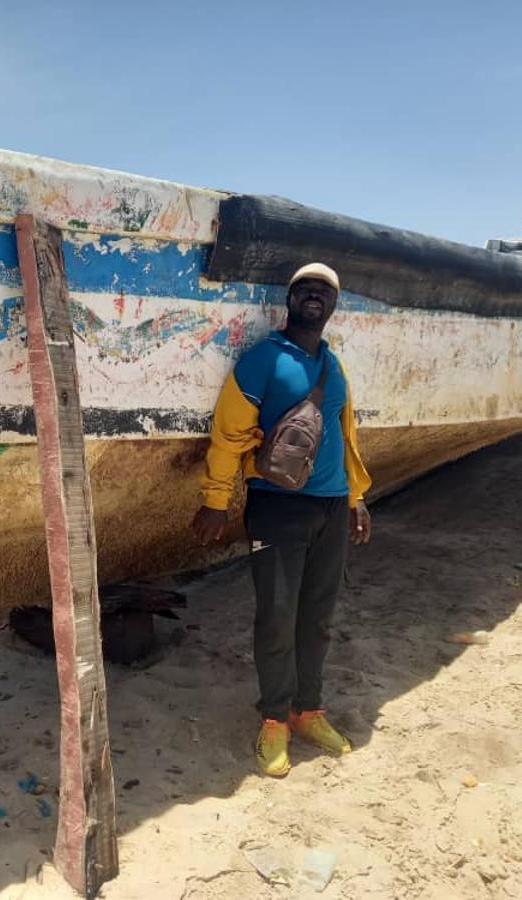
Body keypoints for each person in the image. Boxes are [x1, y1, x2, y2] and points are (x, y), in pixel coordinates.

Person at [191, 262, 372, 778]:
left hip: (333, 506)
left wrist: (356, 496)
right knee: (275, 615)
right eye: (305, 288)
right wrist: (216, 499)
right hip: (277, 504)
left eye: (325, 291)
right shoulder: (262, 360)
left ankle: (306, 711)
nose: (315, 296)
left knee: (317, 617)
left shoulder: (332, 364)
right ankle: (273, 717)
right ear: (289, 301)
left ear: (334, 306)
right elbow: (229, 434)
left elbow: (345, 434)